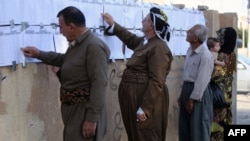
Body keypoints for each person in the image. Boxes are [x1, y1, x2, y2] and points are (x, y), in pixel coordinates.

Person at [21, 6, 110, 141]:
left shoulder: (93, 46)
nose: (60, 32)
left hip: (84, 112)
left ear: (72, 27)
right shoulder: (79, 44)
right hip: (74, 111)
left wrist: (91, 118)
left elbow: (99, 83)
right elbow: (65, 60)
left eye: (61, 27)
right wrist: (39, 54)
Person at [102, 7, 173, 141]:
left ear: (152, 25)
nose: (142, 21)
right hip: (133, 96)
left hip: (144, 98)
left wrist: (145, 108)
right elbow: (130, 39)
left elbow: (157, 80)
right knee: (134, 134)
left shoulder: (159, 47)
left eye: (145, 19)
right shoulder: (145, 42)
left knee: (145, 134)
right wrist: (113, 25)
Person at [178, 24, 214, 141]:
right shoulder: (190, 50)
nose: (187, 31)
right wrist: (182, 94)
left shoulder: (205, 55)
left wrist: (192, 99)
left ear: (195, 38)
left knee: (198, 130)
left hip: (199, 94)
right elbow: (187, 75)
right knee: (185, 129)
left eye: (191, 31)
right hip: (187, 89)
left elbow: (202, 80)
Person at [210, 27, 237, 141]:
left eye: (220, 37)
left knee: (216, 127)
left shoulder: (219, 56)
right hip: (227, 94)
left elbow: (214, 75)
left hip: (218, 96)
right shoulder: (232, 54)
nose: (218, 39)